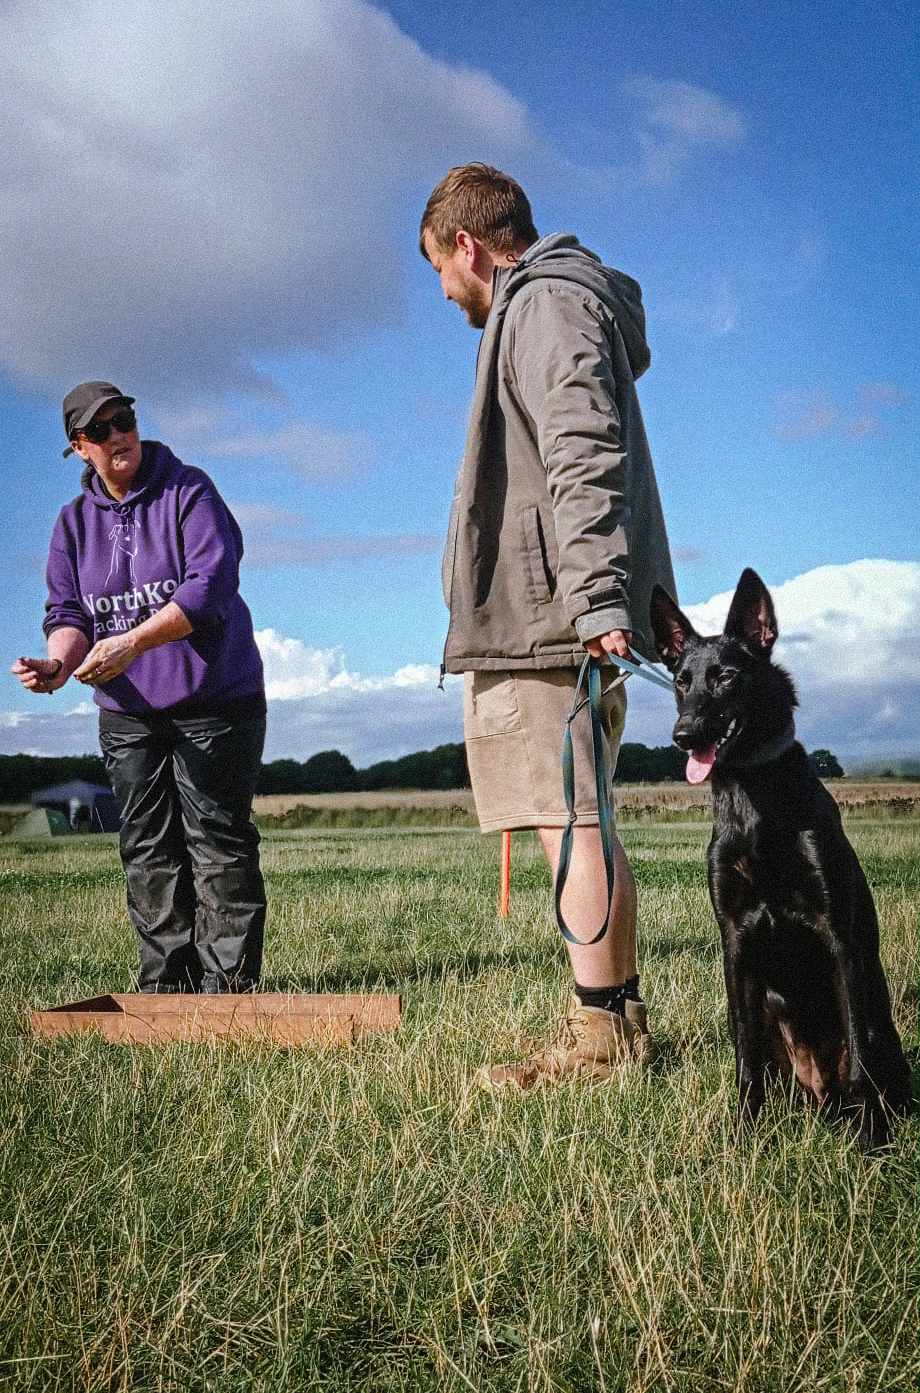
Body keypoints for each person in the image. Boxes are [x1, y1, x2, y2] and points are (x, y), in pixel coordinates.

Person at [420, 165, 676, 1089]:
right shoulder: (556, 305)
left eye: (440, 272)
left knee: (571, 822)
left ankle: (601, 1041)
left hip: (550, 617)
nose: (447, 295)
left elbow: (581, 448)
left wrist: (598, 596)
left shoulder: (542, 308)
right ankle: (614, 1021)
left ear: (467, 246)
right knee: (580, 817)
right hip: (554, 610)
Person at [12, 382, 267, 993]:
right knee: (147, 849)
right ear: (79, 448)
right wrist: (57, 664)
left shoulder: (189, 490)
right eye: (99, 431)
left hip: (216, 699)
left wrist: (132, 643)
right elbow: (68, 614)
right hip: (128, 713)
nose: (117, 435)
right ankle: (165, 988)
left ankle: (227, 993)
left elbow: (209, 587)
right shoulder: (72, 524)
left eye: (123, 420)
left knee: (217, 841)